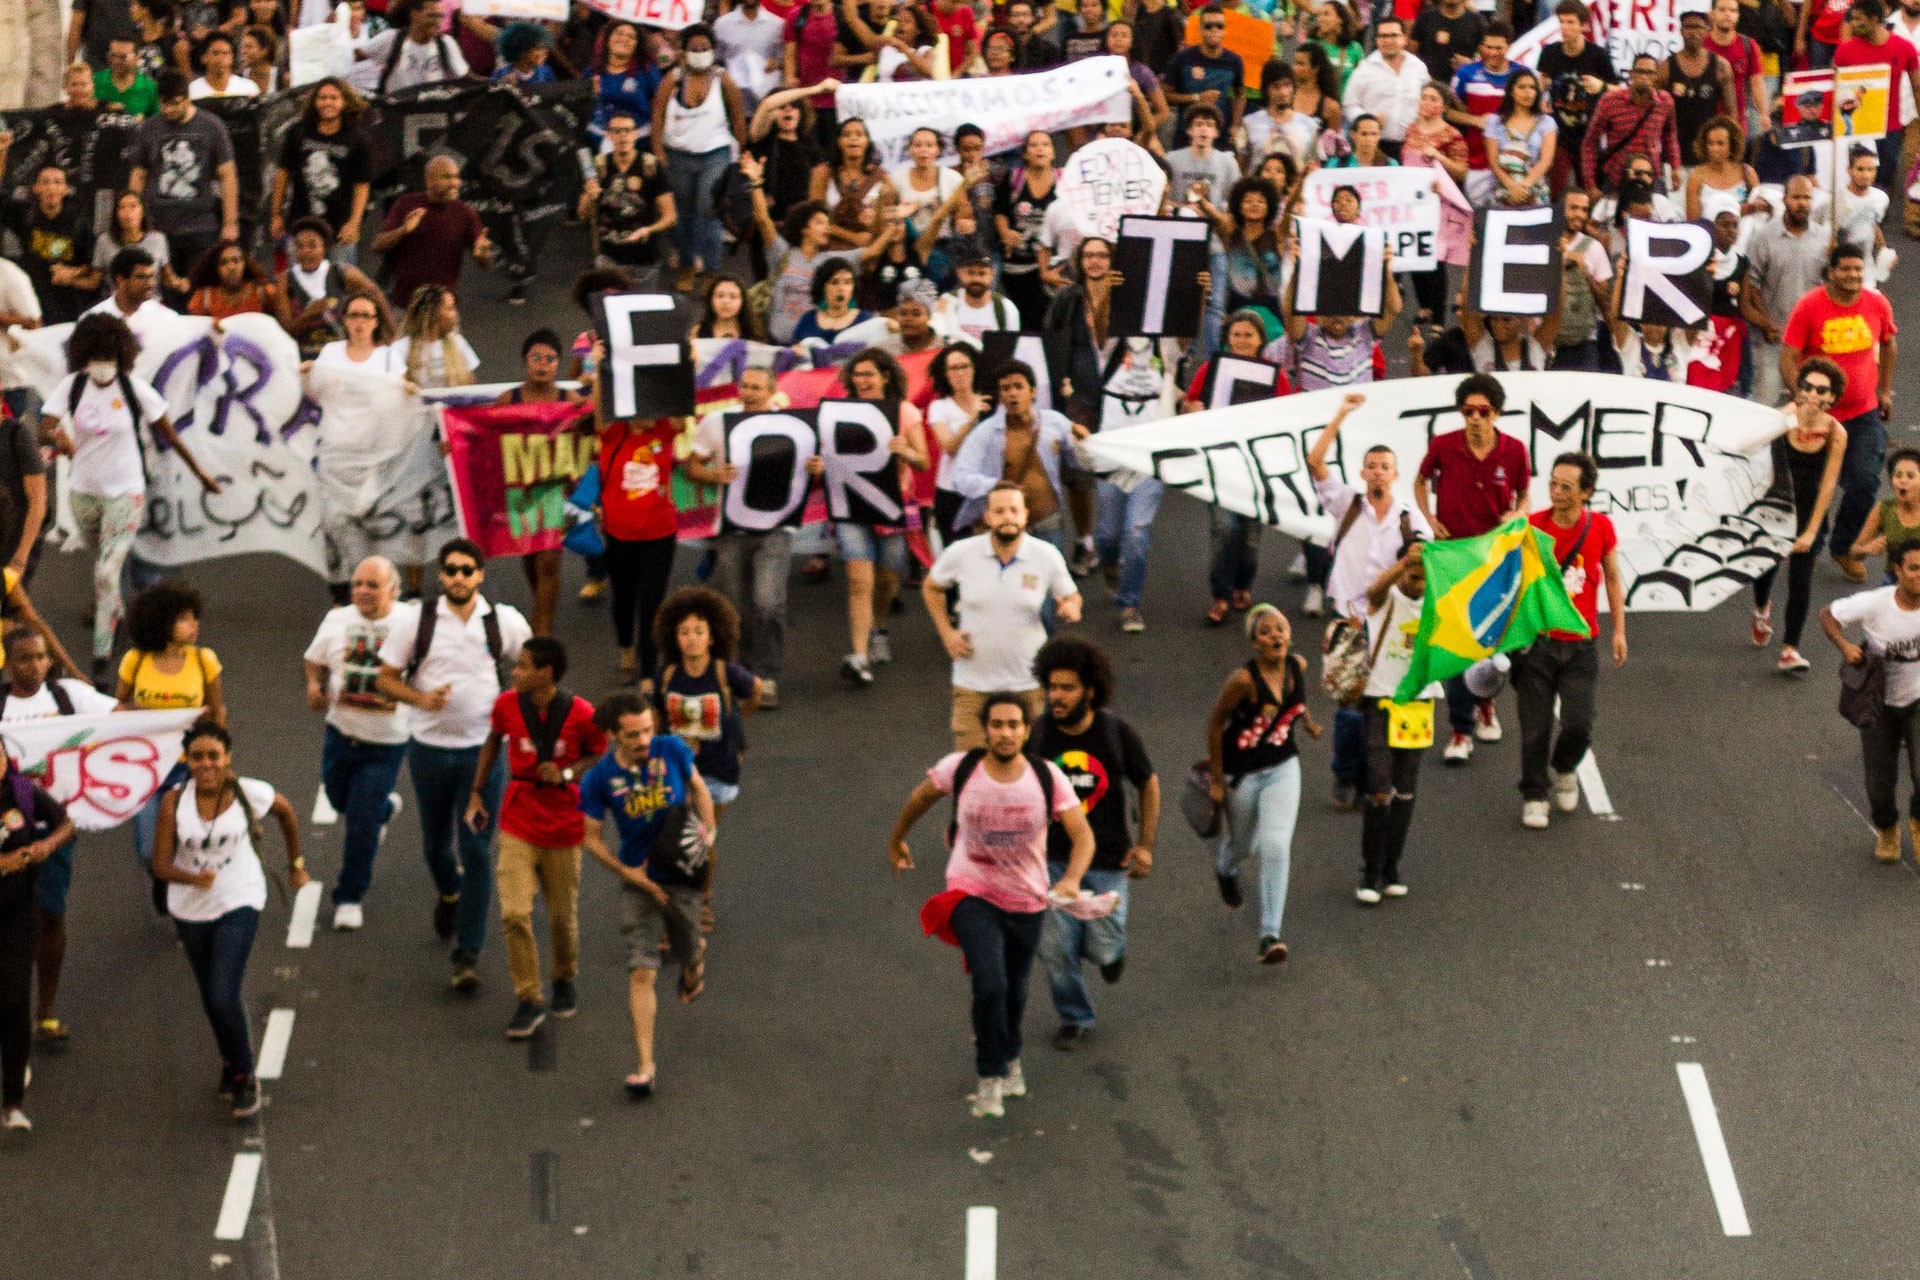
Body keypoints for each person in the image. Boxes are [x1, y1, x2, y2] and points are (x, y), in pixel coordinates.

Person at [886, 691, 1092, 1119]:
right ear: (985, 730)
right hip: (971, 890)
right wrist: (897, 838)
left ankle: (1011, 1055)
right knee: (990, 982)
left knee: (1015, 990)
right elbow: (922, 797)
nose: (1005, 732)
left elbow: (1082, 835)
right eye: (996, 725)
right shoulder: (960, 768)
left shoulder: (1047, 777)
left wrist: (1071, 879)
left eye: (1013, 724)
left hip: (1027, 899)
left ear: (1026, 730)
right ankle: (989, 1074)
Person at [375, 539, 532, 993]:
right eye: (451, 570)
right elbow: (385, 680)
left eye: (467, 570)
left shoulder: (502, 622)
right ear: (441, 576)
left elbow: (534, 666)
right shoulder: (416, 621)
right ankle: (449, 892)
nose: (459, 577)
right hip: (427, 749)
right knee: (435, 844)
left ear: (481, 574)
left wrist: (517, 705)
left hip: (482, 755)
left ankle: (468, 953)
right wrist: (421, 698)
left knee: (478, 849)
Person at [44, 314, 220, 683]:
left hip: (126, 491)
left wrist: (201, 474)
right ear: (83, 357)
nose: (103, 368)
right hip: (83, 493)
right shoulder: (72, 387)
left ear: (121, 357)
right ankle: (117, 611)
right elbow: (46, 425)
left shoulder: (134, 389)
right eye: (96, 359)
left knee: (106, 571)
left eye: (109, 359)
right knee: (105, 568)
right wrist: (59, 438)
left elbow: (169, 434)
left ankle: (101, 660)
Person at [151, 719, 302, 1120]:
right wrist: (192, 878)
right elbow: (160, 865)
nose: (206, 764)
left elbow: (286, 814)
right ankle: (229, 1061)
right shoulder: (173, 802)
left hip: (240, 896)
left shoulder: (248, 792)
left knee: (222, 992)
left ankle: (244, 1076)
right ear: (187, 760)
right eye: (197, 757)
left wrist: (296, 864)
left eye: (213, 756)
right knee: (211, 997)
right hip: (190, 907)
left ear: (227, 757)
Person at [579, 692, 715, 1098]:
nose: (643, 740)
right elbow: (591, 838)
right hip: (640, 881)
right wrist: (627, 873)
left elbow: (701, 791)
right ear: (611, 735)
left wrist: (707, 836)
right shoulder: (599, 779)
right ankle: (645, 1065)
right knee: (642, 968)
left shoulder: (671, 749)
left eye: (647, 730)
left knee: (689, 948)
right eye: (633, 734)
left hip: (681, 873)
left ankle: (694, 961)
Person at [465, 637, 603, 1039]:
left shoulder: (581, 714)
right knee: (513, 913)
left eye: (523, 666)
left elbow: (598, 753)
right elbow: (493, 739)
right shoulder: (508, 705)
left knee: (562, 917)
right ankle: (528, 996)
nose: (515, 672)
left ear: (546, 673)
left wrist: (566, 773)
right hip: (518, 822)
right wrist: (477, 789)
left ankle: (564, 975)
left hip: (563, 826)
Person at [1028, 636, 1156, 1051]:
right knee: (1055, 948)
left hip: (1107, 861)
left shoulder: (1116, 734)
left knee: (1102, 949)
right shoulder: (1039, 736)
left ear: (1090, 690)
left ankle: (1111, 952)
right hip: (1052, 861)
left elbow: (1148, 784)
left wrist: (1146, 845)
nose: (1057, 696)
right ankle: (1075, 1017)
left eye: (1067, 688)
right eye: (1052, 687)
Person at [1306, 391, 1429, 807]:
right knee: (1349, 701)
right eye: (1372, 466)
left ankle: (1375, 777)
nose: (1378, 473)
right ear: (1363, 472)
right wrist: (1340, 415)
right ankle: (1344, 774)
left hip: (1388, 621)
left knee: (1382, 701)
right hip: (1349, 615)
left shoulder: (1407, 518)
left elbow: (1419, 566)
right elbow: (1316, 462)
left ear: (1395, 475)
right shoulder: (1348, 504)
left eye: (1385, 468)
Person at [0, 631, 111, 1055]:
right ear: (9, 663)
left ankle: (44, 1011)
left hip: (52, 830)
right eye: (25, 658)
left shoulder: (69, 697)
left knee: (50, 918)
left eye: (43, 657)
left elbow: (123, 717)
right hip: (5, 832)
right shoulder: (2, 704)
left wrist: (180, 717)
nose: (36, 665)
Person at [1414, 373, 1531, 763]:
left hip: (1496, 559)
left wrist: (1516, 514)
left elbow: (1526, 493)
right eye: (1469, 411)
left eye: (1483, 411)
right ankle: (1460, 731)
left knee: (1491, 643)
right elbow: (1419, 481)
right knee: (1459, 642)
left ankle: (1486, 706)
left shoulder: (1514, 451)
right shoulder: (1444, 446)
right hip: (1453, 557)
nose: (1476, 418)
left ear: (1495, 412)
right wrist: (1429, 518)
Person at [1515, 452, 1627, 830]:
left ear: (1586, 492)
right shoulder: (1532, 528)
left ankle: (1565, 768)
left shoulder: (1601, 528)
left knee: (1580, 722)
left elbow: (1611, 577)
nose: (1556, 491)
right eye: (1553, 483)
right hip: (1538, 645)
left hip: (1581, 644)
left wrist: (1619, 631)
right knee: (1535, 726)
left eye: (1566, 486)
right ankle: (1534, 793)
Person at [924, 482, 1082, 750]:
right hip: (972, 684)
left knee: (1027, 770)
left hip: (1027, 684)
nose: (1007, 516)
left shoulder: (1045, 555)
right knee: (970, 769)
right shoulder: (962, 553)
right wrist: (946, 633)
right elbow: (932, 587)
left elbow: (1071, 596)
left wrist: (1071, 608)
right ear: (987, 517)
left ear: (1025, 514)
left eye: (1013, 510)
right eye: (999, 511)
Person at [303, 555, 415, 931]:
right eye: (358, 584)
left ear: (393, 590)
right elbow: (314, 660)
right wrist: (314, 687)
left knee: (360, 824)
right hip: (340, 734)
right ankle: (383, 809)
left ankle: (349, 897)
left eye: (372, 585)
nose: (363, 592)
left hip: (386, 744)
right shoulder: (337, 620)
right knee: (339, 801)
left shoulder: (409, 624)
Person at [1205, 603, 1320, 965]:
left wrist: (1310, 724)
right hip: (1242, 774)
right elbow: (1215, 723)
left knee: (1275, 844)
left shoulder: (1297, 666)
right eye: (1266, 631)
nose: (1276, 635)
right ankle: (1226, 866)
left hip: (1284, 766)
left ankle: (1269, 934)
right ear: (1254, 643)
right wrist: (1218, 780)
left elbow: (1296, 704)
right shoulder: (1243, 681)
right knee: (1243, 846)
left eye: (1281, 628)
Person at [1780, 243, 1899, 585]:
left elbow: (1889, 344)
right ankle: (1812, 543)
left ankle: (1844, 546)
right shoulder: (1809, 306)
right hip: (1820, 418)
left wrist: (1885, 390)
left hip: (1863, 413)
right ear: (1830, 271)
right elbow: (1788, 358)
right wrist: (1803, 400)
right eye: (1846, 269)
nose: (1854, 275)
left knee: (1865, 481)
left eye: (1858, 270)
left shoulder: (1876, 303)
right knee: (1816, 485)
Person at [650, 586, 757, 930]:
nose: (691, 639)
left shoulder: (727, 673)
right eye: (684, 632)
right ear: (674, 637)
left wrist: (737, 726)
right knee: (672, 836)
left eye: (699, 631)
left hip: (718, 772)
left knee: (701, 838)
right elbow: (655, 710)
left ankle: (701, 899)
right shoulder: (667, 675)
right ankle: (677, 899)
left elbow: (754, 691)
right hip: (676, 772)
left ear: (713, 637)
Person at [1820, 538, 1920, 864]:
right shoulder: (1877, 603)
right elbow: (1828, 615)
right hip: (1878, 704)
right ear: (1898, 570)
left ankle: (1918, 821)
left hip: (1917, 700)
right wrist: (1845, 647)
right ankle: (1887, 827)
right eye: (1914, 568)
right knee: (1879, 781)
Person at [1751, 359, 1850, 671]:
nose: (1812, 394)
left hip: (1808, 512)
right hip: (1774, 506)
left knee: (1800, 579)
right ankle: (1760, 608)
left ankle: (1790, 648)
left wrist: (1811, 530)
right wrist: (1787, 416)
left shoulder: (1836, 432)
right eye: (1806, 386)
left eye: (1821, 390)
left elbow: (1828, 483)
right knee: (1764, 568)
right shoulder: (1783, 419)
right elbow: (1753, 439)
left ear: (1832, 398)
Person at [493, 330, 591, 638]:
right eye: (536, 357)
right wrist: (453, 445)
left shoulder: (569, 400)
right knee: (530, 557)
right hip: (521, 493)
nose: (542, 365)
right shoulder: (510, 399)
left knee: (549, 560)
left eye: (550, 359)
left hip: (556, 492)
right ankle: (541, 606)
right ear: (525, 361)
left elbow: (593, 428)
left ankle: (542, 631)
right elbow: (484, 437)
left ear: (558, 364)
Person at [0, 744, 76, 1132]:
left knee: (13, 1000)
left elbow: (66, 822)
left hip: (17, 913)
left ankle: (12, 1102)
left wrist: (44, 846)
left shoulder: (24, 794)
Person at [1354, 541, 1431, 903]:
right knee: (1380, 788)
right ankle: (1370, 871)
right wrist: (1402, 565)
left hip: (1419, 704)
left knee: (1405, 791)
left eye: (1422, 576)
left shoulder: (1436, 602)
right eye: (1413, 575)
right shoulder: (1385, 599)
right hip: (1381, 701)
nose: (1418, 583)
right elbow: (1372, 591)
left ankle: (1392, 866)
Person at [651, 23, 745, 283]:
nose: (700, 52)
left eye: (705, 48)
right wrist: (658, 150)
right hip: (678, 154)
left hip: (714, 153)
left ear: (713, 50)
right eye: (695, 48)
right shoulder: (673, 79)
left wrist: (743, 150)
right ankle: (687, 264)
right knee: (683, 212)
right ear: (684, 51)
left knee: (708, 207)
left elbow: (737, 116)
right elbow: (657, 114)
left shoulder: (723, 79)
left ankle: (712, 269)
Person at [946, 362, 1076, 547]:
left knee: (1051, 574)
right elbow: (960, 478)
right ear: (1000, 396)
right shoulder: (985, 433)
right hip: (1005, 527)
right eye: (1005, 389)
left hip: (1048, 521)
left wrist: (1082, 441)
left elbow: (1081, 463)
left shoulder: (1056, 423)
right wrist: (995, 485)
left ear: (1032, 392)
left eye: (1018, 386)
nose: (1012, 393)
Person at [127, 70, 238, 285]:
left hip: (201, 226)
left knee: (197, 287)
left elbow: (228, 176)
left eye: (176, 103)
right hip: (157, 226)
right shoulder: (149, 128)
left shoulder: (212, 126)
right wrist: (135, 220)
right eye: (165, 104)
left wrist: (230, 223)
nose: (170, 110)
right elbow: (138, 176)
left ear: (188, 98)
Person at [1742, 176, 1828, 407]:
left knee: (1811, 407)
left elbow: (1829, 287)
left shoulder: (1825, 238)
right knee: (1765, 404)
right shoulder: (1764, 237)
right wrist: (1766, 323)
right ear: (1785, 199)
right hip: (1774, 338)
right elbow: (1751, 285)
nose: (1802, 203)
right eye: (1797, 197)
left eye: (1807, 198)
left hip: (1812, 341)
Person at [267, 78, 372, 264]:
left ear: (344, 102)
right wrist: (275, 214)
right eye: (322, 98)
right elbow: (283, 174)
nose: (327, 103)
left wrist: (354, 223)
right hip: (301, 222)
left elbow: (362, 185)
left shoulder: (357, 138)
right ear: (314, 101)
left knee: (340, 284)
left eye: (333, 97)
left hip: (339, 226)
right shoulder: (298, 132)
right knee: (301, 284)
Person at [372, 155, 493, 309]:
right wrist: (403, 230)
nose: (455, 183)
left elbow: (485, 263)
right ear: (429, 181)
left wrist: (483, 254)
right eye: (447, 177)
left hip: (443, 310)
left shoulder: (466, 213)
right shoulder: (406, 204)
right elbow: (377, 246)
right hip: (405, 306)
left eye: (457, 177)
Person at [1835, 0, 1920, 201]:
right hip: (1855, 128)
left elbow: (1917, 87)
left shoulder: (1904, 48)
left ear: (1874, 19)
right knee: (1858, 180)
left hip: (1890, 129)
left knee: (1883, 179)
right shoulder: (1844, 51)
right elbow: (1835, 90)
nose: (1852, 24)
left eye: (1858, 19)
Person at [578, 112, 676, 283]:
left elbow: (670, 216)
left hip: (644, 258)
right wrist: (589, 196)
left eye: (627, 130)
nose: (622, 136)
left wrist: (648, 230)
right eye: (617, 131)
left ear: (635, 134)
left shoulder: (649, 166)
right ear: (608, 135)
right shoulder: (599, 167)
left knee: (644, 308)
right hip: (609, 258)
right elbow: (583, 215)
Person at [278, 218, 384, 360]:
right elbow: (286, 332)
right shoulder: (285, 281)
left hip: (343, 357)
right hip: (304, 358)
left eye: (312, 246)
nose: (306, 252)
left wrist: (387, 339)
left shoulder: (343, 273)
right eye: (299, 246)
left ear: (324, 247)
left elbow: (377, 297)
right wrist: (308, 314)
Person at [1538, 0, 1617, 186]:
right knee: (1556, 187)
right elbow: (1541, 82)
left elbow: (1619, 90)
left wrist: (1602, 86)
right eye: (1562, 22)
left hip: (1589, 133)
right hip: (1558, 132)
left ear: (1584, 25)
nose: (1564, 27)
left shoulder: (1597, 55)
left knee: (1589, 187)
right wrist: (1542, 92)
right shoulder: (1550, 52)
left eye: (1570, 22)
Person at [1581, 55, 1681, 192]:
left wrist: (1675, 167)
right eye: (1640, 71)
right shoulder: (1610, 101)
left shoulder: (1665, 101)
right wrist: (1590, 184)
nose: (1644, 76)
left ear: (1656, 76)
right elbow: (1590, 142)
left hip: (1652, 175)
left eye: (1649, 72)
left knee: (1661, 212)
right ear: (1631, 74)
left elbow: (1670, 136)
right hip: (1617, 177)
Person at [1447, 21, 1515, 205]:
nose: (1492, 53)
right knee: (1477, 217)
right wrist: (1476, 121)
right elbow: (1447, 111)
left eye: (1499, 48)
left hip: (1511, 162)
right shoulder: (1466, 73)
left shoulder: (1520, 75)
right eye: (1488, 47)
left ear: (1509, 46)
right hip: (1475, 159)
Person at [1658, 9, 1738, 162]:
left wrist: (1729, 148)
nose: (1693, 32)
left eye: (1698, 27)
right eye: (1689, 27)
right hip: (1675, 150)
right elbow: (1656, 111)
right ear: (1681, 31)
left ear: (1707, 31)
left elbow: (1731, 113)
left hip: (1709, 149)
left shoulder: (1721, 66)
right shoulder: (1666, 67)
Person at [1342, 16, 1426, 154]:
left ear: (1404, 38)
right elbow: (1349, 104)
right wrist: (1368, 119)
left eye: (1393, 35)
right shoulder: (1365, 68)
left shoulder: (1418, 67)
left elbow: (1427, 98)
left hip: (1413, 145)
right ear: (1377, 40)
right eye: (1382, 36)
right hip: (1375, 146)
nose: (1387, 40)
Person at [1165, 5, 1247, 143]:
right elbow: (1166, 95)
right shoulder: (1182, 58)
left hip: (1219, 135)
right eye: (1209, 26)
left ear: (1224, 30)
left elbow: (1241, 94)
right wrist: (1197, 98)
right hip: (1186, 135)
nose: (1214, 30)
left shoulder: (1234, 61)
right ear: (1200, 29)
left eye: (1219, 26)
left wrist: (1234, 125)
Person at [1554, 188, 1616, 372]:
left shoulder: (1593, 248)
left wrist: (1585, 273)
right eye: (1573, 208)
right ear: (1559, 209)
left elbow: (1605, 300)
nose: (1579, 215)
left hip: (1585, 341)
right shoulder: (1543, 243)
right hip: (1546, 340)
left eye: (1584, 209)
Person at [354, 0, 468, 94]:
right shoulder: (391, 39)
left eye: (440, 16)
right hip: (397, 112)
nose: (437, 22)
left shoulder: (446, 43)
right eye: (432, 15)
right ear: (414, 15)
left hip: (434, 112)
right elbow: (354, 57)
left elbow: (465, 76)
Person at [390, 283, 478, 389]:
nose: (455, 314)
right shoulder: (401, 348)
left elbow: (471, 384)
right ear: (433, 314)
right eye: (450, 309)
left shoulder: (458, 342)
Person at [1851, 448, 1920, 581]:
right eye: (1898, 475)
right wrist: (1866, 548)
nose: (1903, 480)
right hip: (1895, 581)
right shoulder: (1884, 509)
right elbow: (1854, 552)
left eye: (1910, 476)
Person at [183, 239, 290, 325]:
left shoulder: (264, 292)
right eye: (223, 263)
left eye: (236, 260)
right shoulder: (203, 298)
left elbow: (284, 327)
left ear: (245, 264)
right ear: (216, 269)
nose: (231, 267)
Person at [1410, 0, 1485, 85]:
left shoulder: (1476, 21)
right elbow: (1412, 51)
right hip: (1430, 85)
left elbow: (1486, 55)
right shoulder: (1426, 18)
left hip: (1464, 85)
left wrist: (1470, 63)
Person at [188, 29, 255, 97]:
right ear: (203, 58)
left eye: (225, 53)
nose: (221, 59)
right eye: (216, 53)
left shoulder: (248, 88)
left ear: (232, 58)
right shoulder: (192, 90)